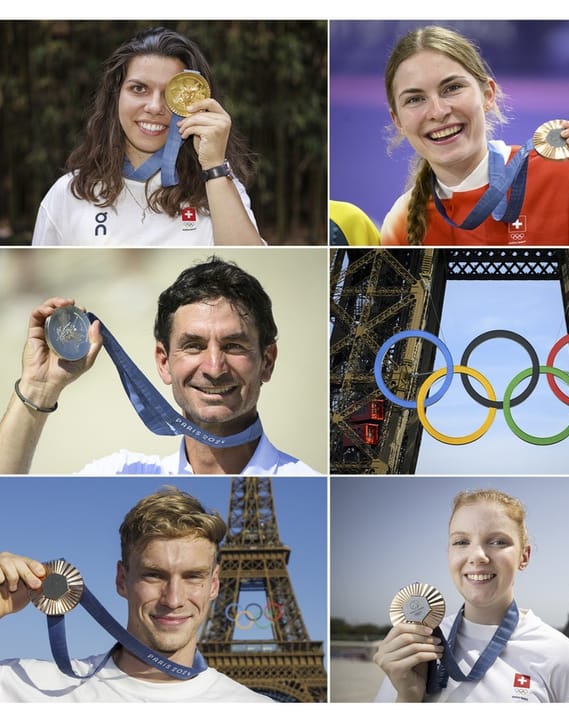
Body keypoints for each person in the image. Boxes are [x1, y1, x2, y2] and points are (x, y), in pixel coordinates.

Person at [0, 256, 316, 475]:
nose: (214, 367)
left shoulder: (308, 480)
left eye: (234, 345)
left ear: (267, 362)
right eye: (194, 346)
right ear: (163, 363)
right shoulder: (119, 473)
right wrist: (38, 388)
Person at [378, 25, 569, 246]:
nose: (438, 111)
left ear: (487, 94)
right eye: (415, 99)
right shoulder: (401, 221)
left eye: (452, 88)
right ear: (398, 120)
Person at [0, 487, 273, 701]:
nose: (173, 599)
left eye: (192, 577)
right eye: (154, 575)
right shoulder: (27, 688)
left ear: (214, 584)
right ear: (122, 580)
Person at [32, 26, 263, 246]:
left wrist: (213, 166)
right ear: (116, 96)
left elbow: (247, 271)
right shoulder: (69, 194)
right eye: (139, 88)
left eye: (171, 93)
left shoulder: (217, 187)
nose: (154, 107)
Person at [373, 489, 569, 702]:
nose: (478, 556)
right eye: (461, 542)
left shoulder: (563, 657)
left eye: (498, 542)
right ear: (449, 553)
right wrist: (407, 698)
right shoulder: (416, 646)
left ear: (524, 556)